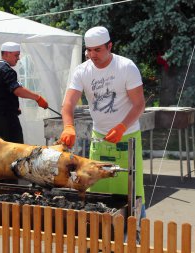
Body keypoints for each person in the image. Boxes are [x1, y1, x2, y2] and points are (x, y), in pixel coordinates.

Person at [59, 26, 146, 217]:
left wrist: (123, 126)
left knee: (132, 190)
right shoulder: (82, 71)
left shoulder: (126, 67)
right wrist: (68, 126)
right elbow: (68, 104)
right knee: (97, 189)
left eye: (97, 50)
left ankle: (136, 234)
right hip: (99, 137)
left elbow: (139, 104)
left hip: (128, 137)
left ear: (110, 46)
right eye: (89, 50)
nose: (92, 55)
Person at [0, 41, 48, 184]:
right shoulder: (7, 70)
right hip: (4, 120)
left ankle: (0, 185)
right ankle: (11, 187)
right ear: (6, 54)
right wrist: (37, 97)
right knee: (12, 153)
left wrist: (12, 104)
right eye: (16, 55)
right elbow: (16, 89)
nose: (18, 58)